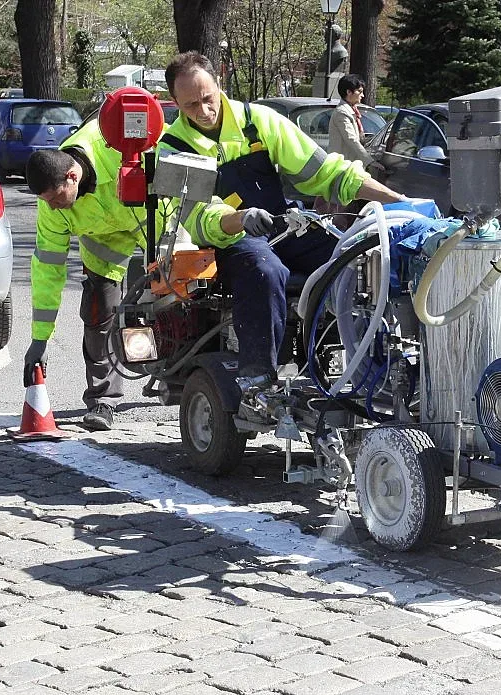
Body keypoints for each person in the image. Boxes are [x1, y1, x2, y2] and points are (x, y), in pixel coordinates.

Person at [159, 51, 406, 382]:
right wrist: (240, 218)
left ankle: (375, 363)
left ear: (219, 83)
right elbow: (200, 217)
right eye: (191, 105)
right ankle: (258, 378)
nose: (203, 111)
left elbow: (327, 173)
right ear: (174, 103)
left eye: (208, 98)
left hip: (280, 225)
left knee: (354, 253)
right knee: (265, 269)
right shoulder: (173, 147)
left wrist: (399, 201)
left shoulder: (259, 121)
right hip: (232, 239)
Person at [23, 121, 152, 431]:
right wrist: (39, 341)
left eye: (55, 198)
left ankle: (174, 379)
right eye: (46, 201)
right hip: (103, 245)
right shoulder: (51, 209)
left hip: (153, 223)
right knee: (98, 312)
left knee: (178, 298)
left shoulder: (115, 148)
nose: (52, 207)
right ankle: (102, 401)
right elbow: (48, 271)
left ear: (72, 177)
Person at [328, 73, 383, 177]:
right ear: (349, 92)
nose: (362, 95)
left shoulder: (352, 110)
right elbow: (351, 140)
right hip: (343, 167)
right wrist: (369, 161)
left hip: (351, 166)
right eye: (360, 91)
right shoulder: (342, 112)